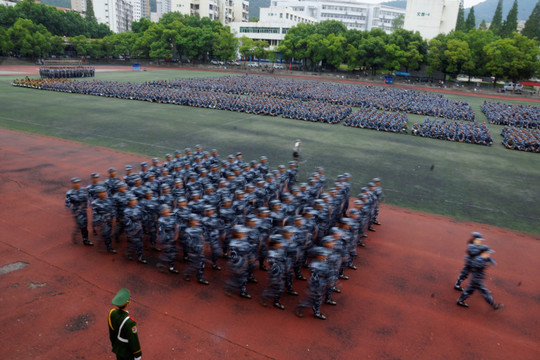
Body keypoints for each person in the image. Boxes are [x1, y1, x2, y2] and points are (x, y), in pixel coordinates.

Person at [108, 288, 142, 360]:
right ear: (128, 302)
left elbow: (112, 332)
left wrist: (115, 344)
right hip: (127, 352)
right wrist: (138, 354)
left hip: (118, 347)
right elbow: (133, 340)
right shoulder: (130, 322)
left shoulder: (112, 313)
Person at [65, 177, 93, 246]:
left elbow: (87, 198)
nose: (77, 184)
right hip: (76, 211)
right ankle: (76, 233)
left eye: (78, 182)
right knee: (80, 225)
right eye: (75, 183)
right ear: (72, 184)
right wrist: (69, 210)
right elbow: (67, 204)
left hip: (83, 210)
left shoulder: (83, 190)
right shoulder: (70, 193)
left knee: (85, 225)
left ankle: (85, 239)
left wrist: (88, 206)